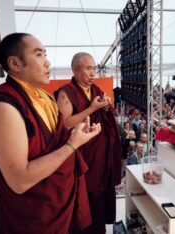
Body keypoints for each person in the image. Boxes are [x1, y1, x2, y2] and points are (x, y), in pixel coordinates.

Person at [0, 33, 102, 234]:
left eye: (45, 54)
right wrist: (72, 144)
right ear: (15, 63)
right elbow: (20, 180)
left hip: (61, 203)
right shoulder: (3, 106)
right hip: (35, 218)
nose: (47, 62)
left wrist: (77, 133)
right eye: (39, 55)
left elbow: (55, 138)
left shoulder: (44, 97)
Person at [56, 52, 122, 234]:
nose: (93, 73)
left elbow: (105, 114)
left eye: (94, 68)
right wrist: (92, 108)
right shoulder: (66, 93)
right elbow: (64, 125)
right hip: (84, 159)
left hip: (101, 155)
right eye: (88, 68)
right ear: (75, 70)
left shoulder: (95, 90)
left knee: (101, 197)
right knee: (89, 199)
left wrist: (106, 106)